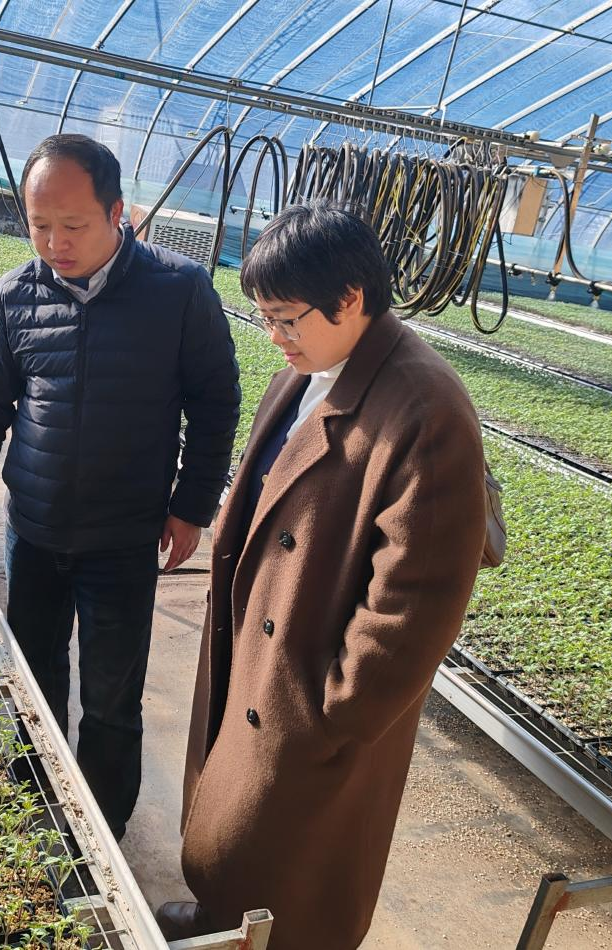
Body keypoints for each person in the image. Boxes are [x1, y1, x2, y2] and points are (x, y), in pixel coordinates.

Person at [157, 203, 486, 948]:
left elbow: (417, 601)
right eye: (264, 318)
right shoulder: (306, 372)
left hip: (307, 691)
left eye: (285, 319)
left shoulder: (425, 408)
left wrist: (333, 713)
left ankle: (250, 932)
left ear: (350, 298)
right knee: (233, 826)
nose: (273, 337)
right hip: (264, 653)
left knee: (290, 862)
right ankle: (218, 918)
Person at [0, 134, 241, 840]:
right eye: (39, 225)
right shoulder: (15, 296)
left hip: (123, 538)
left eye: (73, 225)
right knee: (33, 678)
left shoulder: (178, 291)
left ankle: (101, 829)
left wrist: (191, 506)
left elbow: (214, 402)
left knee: (112, 697)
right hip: (34, 530)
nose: (55, 243)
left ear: (119, 213)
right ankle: (37, 812)